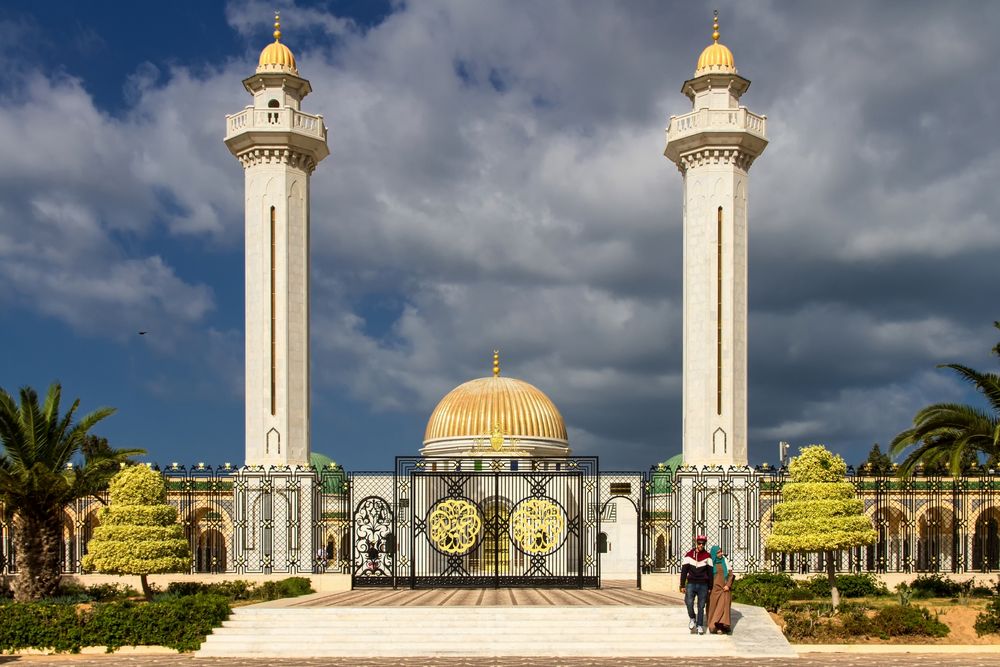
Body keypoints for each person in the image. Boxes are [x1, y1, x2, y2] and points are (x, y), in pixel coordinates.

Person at [679, 534, 712, 635]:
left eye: (703, 543)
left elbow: (710, 573)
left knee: (701, 606)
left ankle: (700, 625)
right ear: (696, 543)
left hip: (703, 584)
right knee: (689, 602)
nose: (701, 545)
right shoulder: (689, 555)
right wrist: (682, 585)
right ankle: (692, 618)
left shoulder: (707, 556)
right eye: (699, 543)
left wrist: (710, 586)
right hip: (691, 583)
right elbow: (684, 571)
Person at [706, 545, 735, 634]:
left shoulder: (724, 561)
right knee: (713, 607)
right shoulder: (709, 562)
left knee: (723, 608)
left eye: (721, 551)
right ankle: (713, 625)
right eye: (719, 552)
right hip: (713, 590)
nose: (721, 553)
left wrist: (728, 585)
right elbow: (706, 576)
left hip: (724, 589)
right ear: (714, 553)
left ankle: (721, 626)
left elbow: (730, 575)